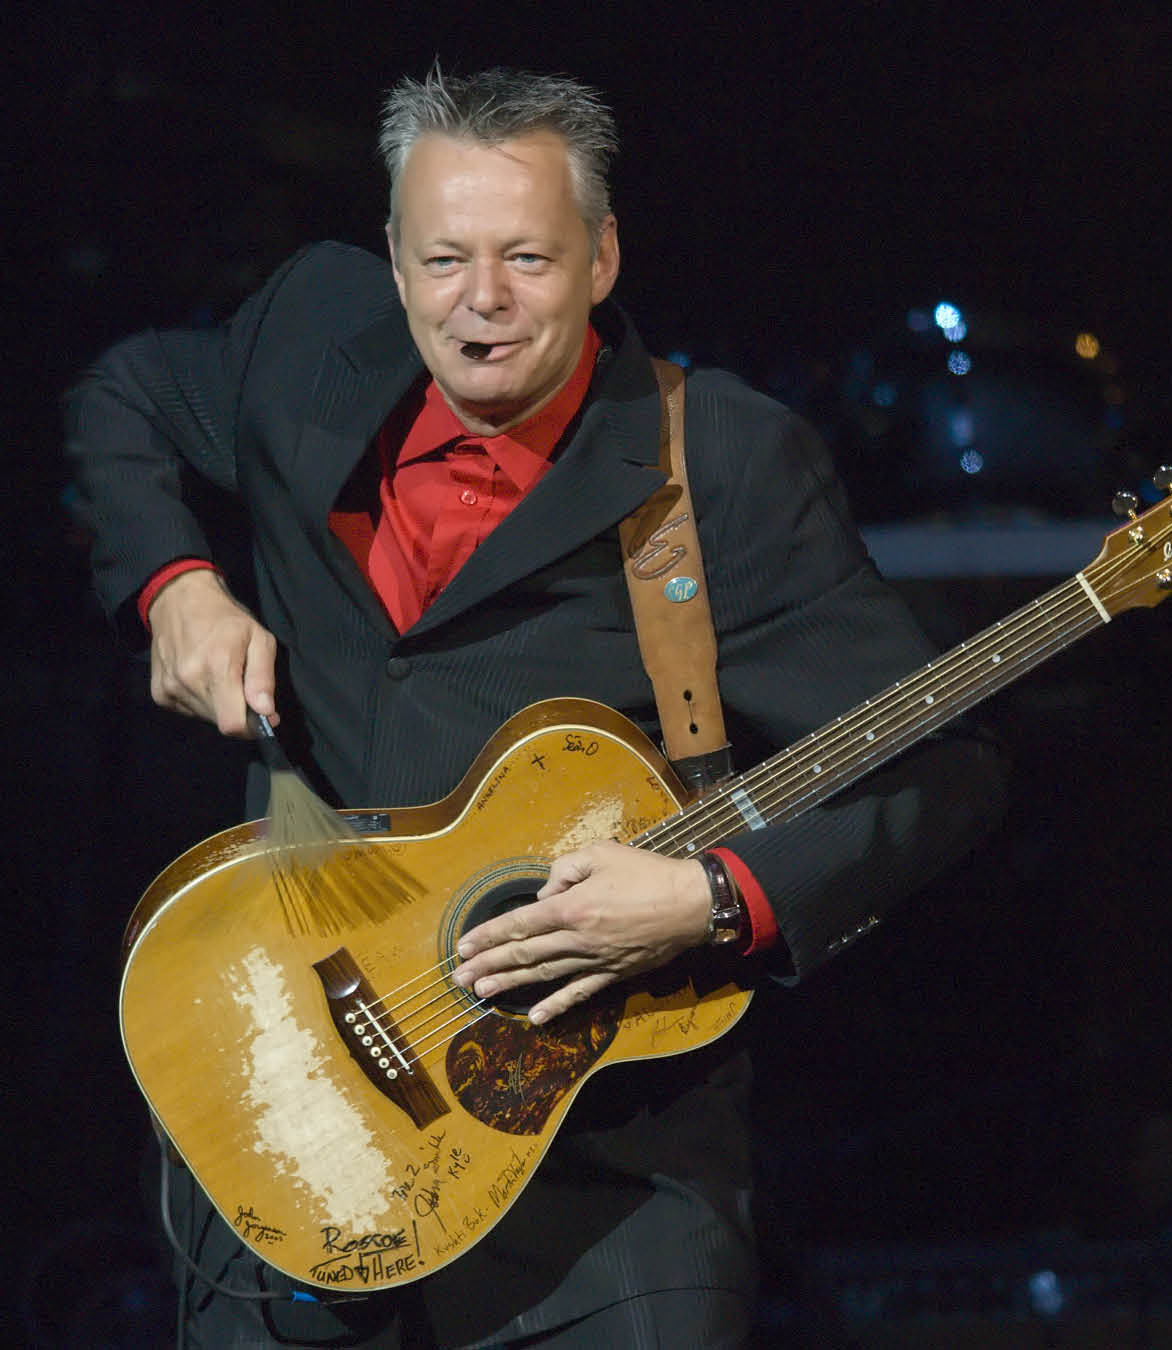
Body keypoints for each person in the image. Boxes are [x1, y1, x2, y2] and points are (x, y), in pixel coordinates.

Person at [66, 68, 1002, 1346]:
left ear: (604, 256)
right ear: (393, 262)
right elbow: (124, 398)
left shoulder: (716, 462)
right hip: (296, 1121)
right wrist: (178, 588)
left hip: (603, 1199)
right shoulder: (308, 332)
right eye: (444, 258)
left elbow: (945, 764)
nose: (483, 302)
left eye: (527, 257)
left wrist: (719, 895)